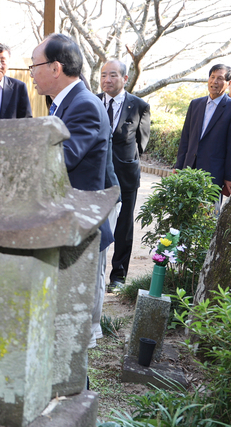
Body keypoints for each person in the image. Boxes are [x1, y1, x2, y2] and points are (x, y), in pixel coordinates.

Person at [30, 34, 114, 350]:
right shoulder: (64, 103)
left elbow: (62, 161)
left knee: (76, 329)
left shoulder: (84, 106)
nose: (32, 73)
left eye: (34, 66)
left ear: (55, 67)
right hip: (67, 221)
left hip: (82, 222)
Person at [98, 60, 151, 290]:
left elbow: (142, 143)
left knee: (123, 226)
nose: (106, 80)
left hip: (125, 176)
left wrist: (124, 160)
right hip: (96, 174)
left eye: (112, 75)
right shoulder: (92, 102)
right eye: (103, 75)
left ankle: (118, 276)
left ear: (125, 78)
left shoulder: (139, 106)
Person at [175, 64, 231, 209]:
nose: (214, 82)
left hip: (213, 174)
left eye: (219, 78)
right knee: (184, 214)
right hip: (189, 169)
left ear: (229, 83)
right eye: (212, 77)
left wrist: (230, 176)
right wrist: (179, 166)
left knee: (207, 217)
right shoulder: (195, 104)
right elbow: (186, 138)